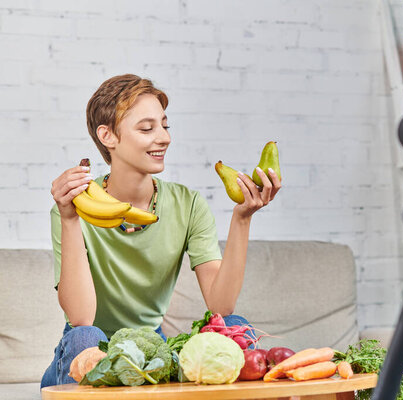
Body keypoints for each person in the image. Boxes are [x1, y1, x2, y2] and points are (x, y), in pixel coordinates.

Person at [41, 74, 281, 388]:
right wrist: (70, 220)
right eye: (146, 128)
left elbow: (221, 307)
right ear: (108, 136)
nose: (164, 138)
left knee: (234, 326)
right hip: (85, 349)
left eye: (165, 126)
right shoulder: (74, 207)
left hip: (151, 349)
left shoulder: (188, 204)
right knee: (86, 334)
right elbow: (81, 318)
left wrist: (243, 218)